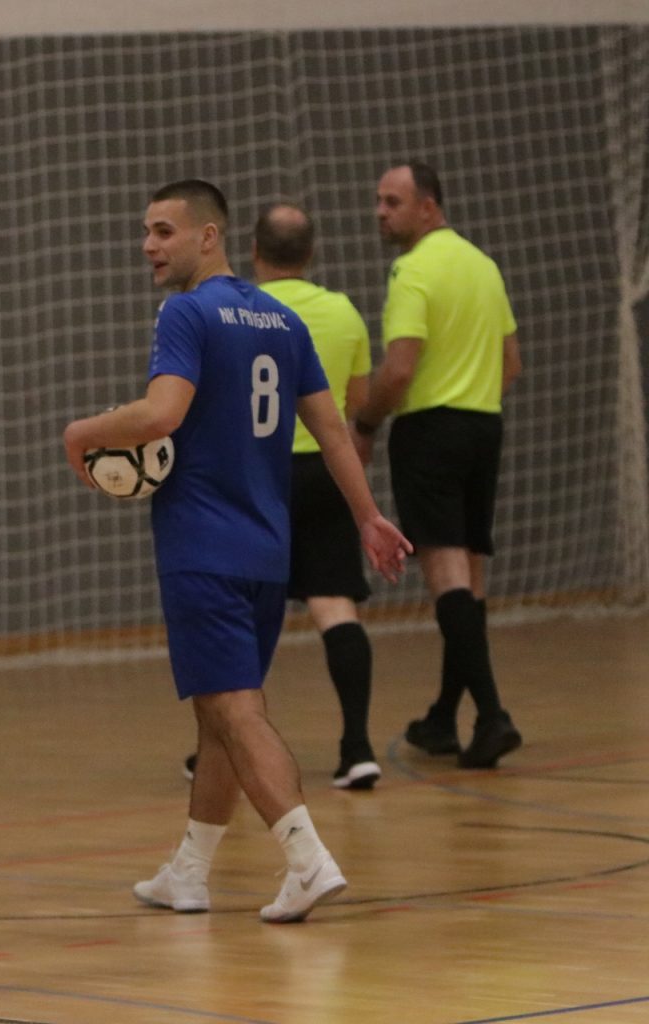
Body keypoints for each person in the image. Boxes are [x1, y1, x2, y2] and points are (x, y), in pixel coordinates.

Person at [63, 180, 410, 923]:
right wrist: (368, 516)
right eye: (146, 231)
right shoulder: (282, 319)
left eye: (164, 231)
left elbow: (161, 414)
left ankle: (307, 859)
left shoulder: (185, 313)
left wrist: (83, 432)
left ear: (209, 236)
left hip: (203, 544)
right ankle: (188, 873)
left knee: (236, 710)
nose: (149, 246)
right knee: (220, 712)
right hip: (266, 548)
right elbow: (334, 430)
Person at [182, 203, 382, 790]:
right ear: (311, 252)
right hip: (325, 471)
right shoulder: (342, 312)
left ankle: (223, 747)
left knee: (235, 618)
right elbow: (355, 403)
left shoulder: (236, 311)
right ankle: (358, 747)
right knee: (335, 607)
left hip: (254, 475)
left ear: (253, 251)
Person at [352, 160, 524, 769]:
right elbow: (511, 363)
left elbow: (399, 368)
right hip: (484, 425)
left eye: (393, 202)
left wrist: (365, 423)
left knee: (446, 576)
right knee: (469, 580)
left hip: (430, 431)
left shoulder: (413, 269)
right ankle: (444, 718)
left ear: (429, 206)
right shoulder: (483, 265)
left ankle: (493, 715)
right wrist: (470, 399)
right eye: (379, 200)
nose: (380, 212)